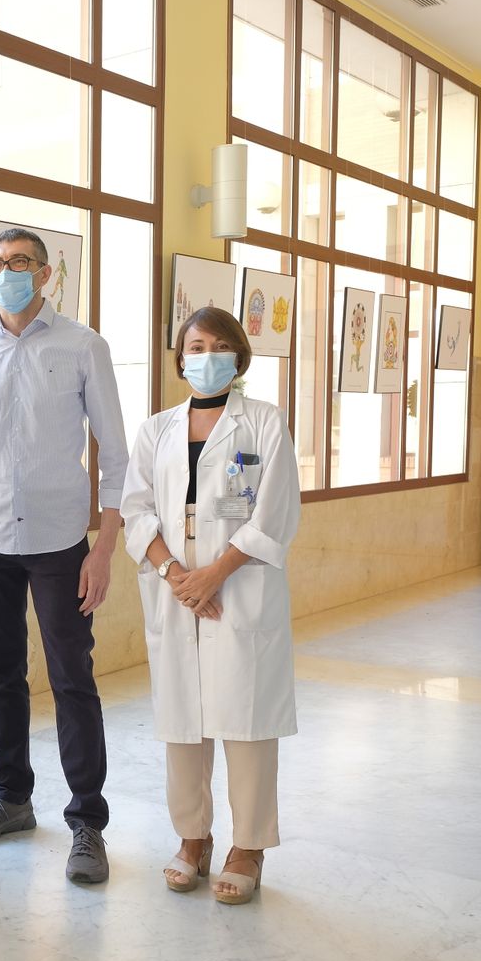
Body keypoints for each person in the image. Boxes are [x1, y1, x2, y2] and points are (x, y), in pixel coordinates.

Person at [0, 227, 129, 885]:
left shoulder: (83, 347)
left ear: (46, 273)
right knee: (1, 677)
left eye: (20, 262)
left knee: (73, 682)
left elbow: (115, 457)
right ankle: (13, 799)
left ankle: (87, 822)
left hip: (62, 545)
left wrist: (104, 548)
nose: (8, 273)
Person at [120, 306, 300, 905]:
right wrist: (177, 575)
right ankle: (192, 838)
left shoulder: (266, 424)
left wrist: (215, 574)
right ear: (179, 357)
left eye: (220, 345)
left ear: (239, 356)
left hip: (239, 580)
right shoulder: (156, 430)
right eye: (196, 345)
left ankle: (247, 845)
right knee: (182, 720)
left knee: (245, 717)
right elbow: (136, 511)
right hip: (175, 583)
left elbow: (274, 512)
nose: (207, 356)